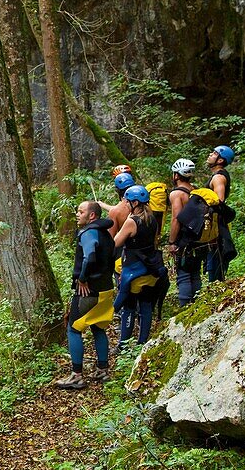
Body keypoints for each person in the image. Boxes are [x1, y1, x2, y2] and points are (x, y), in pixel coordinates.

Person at [56, 201, 115, 390]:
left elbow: (89, 256)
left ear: (92, 216)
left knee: (73, 329)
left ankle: (77, 376)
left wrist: (82, 279)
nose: (77, 214)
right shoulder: (105, 233)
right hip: (106, 289)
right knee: (98, 328)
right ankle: (102, 370)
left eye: (81, 211)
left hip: (88, 291)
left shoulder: (88, 233)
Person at [112, 186, 167, 350]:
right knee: (146, 306)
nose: (126, 204)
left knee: (128, 308)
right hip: (151, 269)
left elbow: (116, 241)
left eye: (128, 201)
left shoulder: (131, 221)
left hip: (133, 271)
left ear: (135, 203)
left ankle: (123, 345)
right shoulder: (152, 219)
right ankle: (142, 342)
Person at [167, 158, 202, 305]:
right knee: (195, 272)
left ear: (176, 175)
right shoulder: (195, 190)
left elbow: (176, 218)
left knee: (183, 273)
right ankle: (196, 303)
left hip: (184, 238)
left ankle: (185, 306)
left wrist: (172, 242)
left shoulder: (177, 194)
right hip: (198, 236)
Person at [205, 145, 235, 282]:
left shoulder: (218, 178)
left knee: (215, 260)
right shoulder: (217, 175)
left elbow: (218, 201)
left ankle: (216, 287)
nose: (210, 154)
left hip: (217, 226)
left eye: (214, 153)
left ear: (221, 160)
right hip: (216, 224)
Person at [107, 172, 135, 237]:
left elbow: (111, 237)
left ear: (117, 190)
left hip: (125, 245)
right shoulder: (145, 207)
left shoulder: (115, 211)